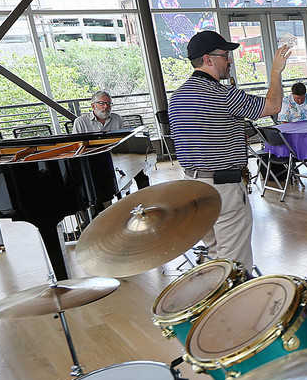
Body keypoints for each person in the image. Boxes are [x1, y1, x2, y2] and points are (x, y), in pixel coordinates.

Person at [168, 31, 289, 271]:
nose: (229, 60)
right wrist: (275, 72)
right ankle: (236, 306)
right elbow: (273, 106)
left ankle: (215, 304)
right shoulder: (223, 95)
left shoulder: (178, 97)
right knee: (234, 263)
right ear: (208, 59)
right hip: (223, 188)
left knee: (214, 256)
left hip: (192, 188)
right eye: (225, 55)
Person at [74, 90, 149, 189]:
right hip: (93, 160)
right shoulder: (81, 122)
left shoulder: (117, 118)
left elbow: (124, 141)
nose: (106, 107)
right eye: (102, 103)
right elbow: (76, 146)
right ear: (93, 106)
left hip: (116, 157)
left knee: (141, 173)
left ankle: (145, 198)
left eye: (109, 104)